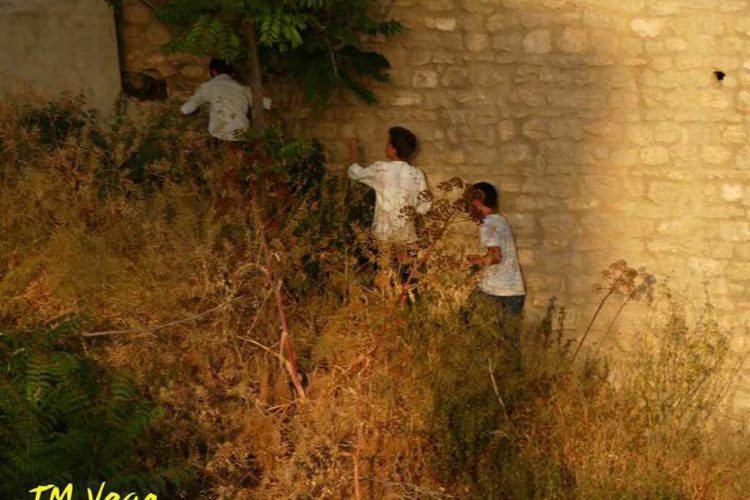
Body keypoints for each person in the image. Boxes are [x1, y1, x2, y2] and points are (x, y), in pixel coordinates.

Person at [347, 127, 431, 244]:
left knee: (384, 261)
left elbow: (355, 173)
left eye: (387, 143)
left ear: (394, 149)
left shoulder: (382, 169)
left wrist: (353, 148)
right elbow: (425, 205)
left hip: (383, 235)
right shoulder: (417, 174)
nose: (385, 147)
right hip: (407, 236)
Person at [467, 182, 526, 317]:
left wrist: (473, 261)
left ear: (478, 200)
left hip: (495, 291)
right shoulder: (500, 221)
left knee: (464, 325)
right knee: (506, 337)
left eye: (470, 200)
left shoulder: (487, 225)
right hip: (514, 291)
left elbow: (496, 257)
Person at [180, 58, 271, 142]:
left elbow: (186, 108)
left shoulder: (208, 86)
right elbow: (265, 102)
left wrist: (182, 112)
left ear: (213, 72)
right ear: (232, 73)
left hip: (220, 138)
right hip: (242, 136)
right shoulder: (243, 88)